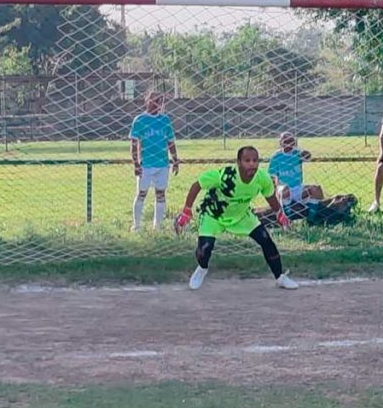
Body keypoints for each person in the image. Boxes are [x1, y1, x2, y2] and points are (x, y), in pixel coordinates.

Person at [173, 146, 298, 291]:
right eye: (247, 160)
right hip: (213, 215)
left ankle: (280, 277)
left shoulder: (262, 178)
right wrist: (186, 211)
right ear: (238, 162)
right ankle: (202, 268)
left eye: (255, 160)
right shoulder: (226, 175)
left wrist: (279, 214)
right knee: (205, 249)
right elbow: (197, 185)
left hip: (241, 216)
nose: (252, 164)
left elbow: (270, 197)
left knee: (266, 240)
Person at [129, 91, 179, 232]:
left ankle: (157, 227)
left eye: (160, 101)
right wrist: (136, 163)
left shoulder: (165, 120)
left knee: (161, 194)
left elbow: (170, 142)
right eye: (155, 100)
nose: (158, 103)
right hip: (146, 165)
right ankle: (136, 226)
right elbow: (134, 144)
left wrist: (175, 160)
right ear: (147, 101)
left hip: (162, 164)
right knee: (141, 194)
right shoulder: (139, 120)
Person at [267, 131, 325, 219]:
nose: (289, 143)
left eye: (291, 141)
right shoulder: (276, 156)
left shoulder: (297, 153)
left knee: (316, 189)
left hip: (298, 188)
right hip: (283, 190)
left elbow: (308, 157)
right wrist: (274, 195)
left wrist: (305, 153)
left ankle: (311, 218)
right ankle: (287, 218)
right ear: (281, 142)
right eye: (286, 141)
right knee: (285, 190)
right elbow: (271, 176)